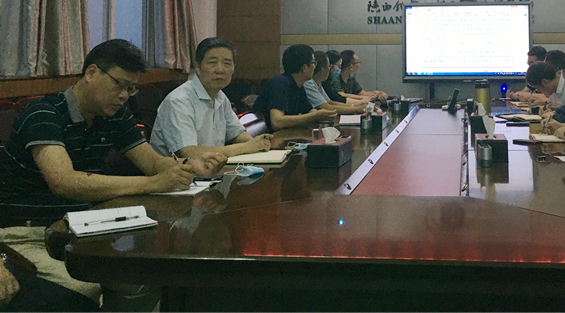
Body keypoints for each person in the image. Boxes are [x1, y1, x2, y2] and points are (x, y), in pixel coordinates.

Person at [0, 39, 227, 309]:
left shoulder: (115, 115)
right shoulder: (43, 113)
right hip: (25, 234)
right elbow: (64, 182)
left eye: (131, 89)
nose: (124, 95)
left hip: (80, 228)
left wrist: (188, 166)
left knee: (141, 280)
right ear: (91, 73)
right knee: (84, 288)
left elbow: (152, 163)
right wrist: (153, 183)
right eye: (119, 84)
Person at [149, 37, 272, 159]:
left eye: (227, 63)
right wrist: (247, 147)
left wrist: (255, 144)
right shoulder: (179, 100)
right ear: (198, 68)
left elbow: (237, 134)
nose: (220, 70)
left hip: (211, 169)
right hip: (179, 171)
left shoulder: (220, 97)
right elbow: (188, 152)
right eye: (212, 63)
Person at [252, 44, 337, 132]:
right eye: (313, 63)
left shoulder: (299, 86)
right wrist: (315, 116)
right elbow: (277, 122)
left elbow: (310, 111)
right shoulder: (280, 83)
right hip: (264, 136)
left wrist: (324, 115)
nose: (315, 67)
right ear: (304, 68)